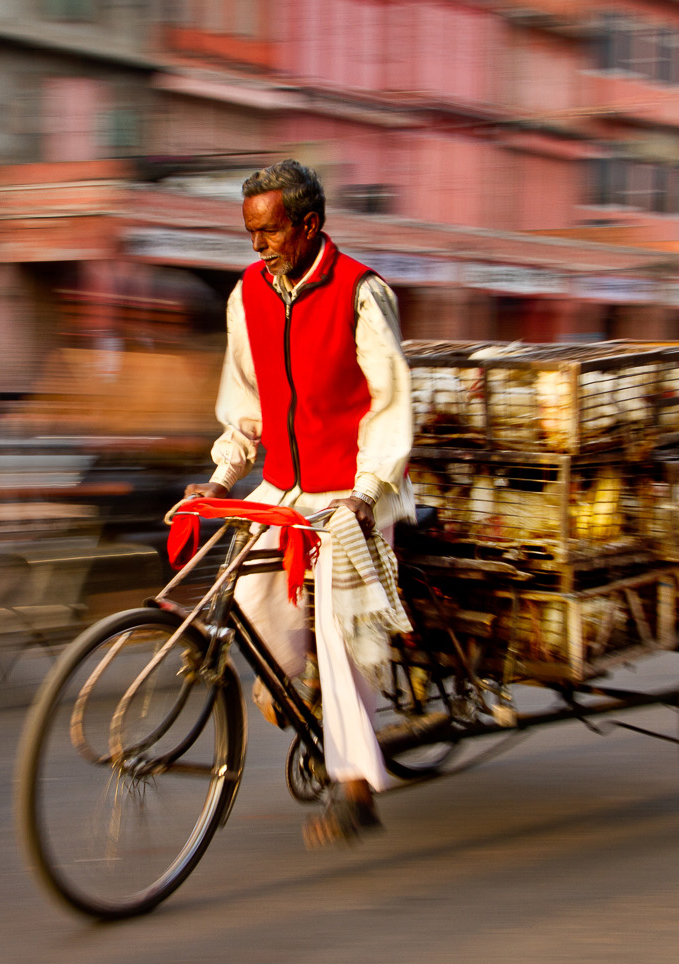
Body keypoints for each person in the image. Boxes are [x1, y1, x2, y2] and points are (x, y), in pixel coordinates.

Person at [182, 159, 415, 848]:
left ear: (310, 226)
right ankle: (294, 689)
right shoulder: (247, 295)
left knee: (339, 637)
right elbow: (244, 405)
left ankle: (356, 788)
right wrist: (222, 478)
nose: (257, 246)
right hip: (284, 486)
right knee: (248, 602)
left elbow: (390, 405)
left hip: (354, 489)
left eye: (270, 232)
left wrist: (369, 493)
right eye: (250, 232)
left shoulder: (361, 293)